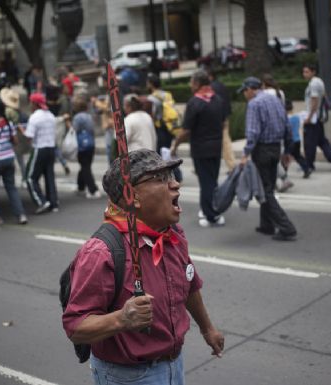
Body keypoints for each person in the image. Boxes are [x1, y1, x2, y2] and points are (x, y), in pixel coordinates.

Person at [62, 149, 224, 385]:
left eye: (171, 175)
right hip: (128, 376)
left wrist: (207, 328)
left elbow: (188, 283)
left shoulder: (173, 234)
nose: (175, 184)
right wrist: (121, 319)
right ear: (133, 196)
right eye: (161, 179)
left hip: (174, 365)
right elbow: (75, 327)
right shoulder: (101, 252)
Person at [238, 77, 298, 240]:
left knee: (265, 191)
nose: (244, 94)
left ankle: (287, 228)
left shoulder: (254, 104)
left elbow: (253, 132)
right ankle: (267, 225)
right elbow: (287, 126)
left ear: (251, 89)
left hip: (262, 150)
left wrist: (245, 154)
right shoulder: (275, 99)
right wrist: (287, 150)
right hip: (275, 148)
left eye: (244, 91)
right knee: (268, 186)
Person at [172, 70, 225, 228]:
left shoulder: (194, 103)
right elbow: (223, 122)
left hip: (201, 148)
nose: (190, 85)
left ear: (197, 83)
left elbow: (186, 130)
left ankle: (211, 215)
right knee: (212, 180)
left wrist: (175, 145)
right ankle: (211, 208)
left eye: (191, 82)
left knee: (205, 182)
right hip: (216, 146)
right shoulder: (218, 99)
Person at [21, 92, 59, 214]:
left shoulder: (34, 117)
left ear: (34, 103)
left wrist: (21, 130)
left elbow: (29, 136)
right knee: (49, 176)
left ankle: (41, 202)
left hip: (39, 149)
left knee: (30, 177)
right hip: (51, 148)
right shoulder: (50, 115)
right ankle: (54, 203)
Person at [302, 64, 331, 172]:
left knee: (309, 141)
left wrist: (309, 116)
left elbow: (315, 100)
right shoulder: (318, 81)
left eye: (307, 71)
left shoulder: (314, 83)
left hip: (313, 117)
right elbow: (323, 96)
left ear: (313, 72)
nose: (304, 74)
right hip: (317, 116)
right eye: (304, 72)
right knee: (320, 140)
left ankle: (309, 164)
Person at [71, 97, 101, 198]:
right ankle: (80, 186)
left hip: (81, 145)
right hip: (90, 144)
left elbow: (74, 130)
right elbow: (92, 130)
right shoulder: (89, 117)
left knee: (85, 167)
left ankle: (93, 189)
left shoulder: (77, 117)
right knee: (85, 165)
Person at [208, 70, 236, 171]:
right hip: (224, 117)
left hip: (217, 119)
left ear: (210, 76)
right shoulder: (221, 85)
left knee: (224, 142)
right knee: (224, 141)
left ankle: (232, 167)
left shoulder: (211, 88)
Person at [285, 100, 310, 177]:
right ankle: (306, 168)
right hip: (297, 139)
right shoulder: (297, 117)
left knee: (286, 156)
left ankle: (283, 173)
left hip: (289, 141)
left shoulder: (286, 119)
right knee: (298, 156)